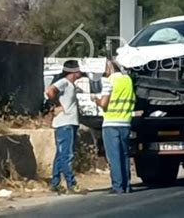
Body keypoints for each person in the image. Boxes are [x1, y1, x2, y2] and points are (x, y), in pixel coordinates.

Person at [93, 60, 135, 194]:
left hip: (111, 123)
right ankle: (127, 185)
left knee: (114, 156)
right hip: (125, 122)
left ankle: (118, 186)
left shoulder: (109, 81)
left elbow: (104, 103)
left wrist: (96, 99)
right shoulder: (128, 80)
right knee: (124, 155)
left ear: (110, 67)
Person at [46, 60, 84, 194]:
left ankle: (55, 183)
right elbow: (50, 91)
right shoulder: (64, 82)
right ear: (73, 72)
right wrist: (57, 104)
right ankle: (71, 184)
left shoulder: (71, 85)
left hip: (68, 123)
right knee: (66, 155)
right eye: (78, 71)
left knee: (60, 155)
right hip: (65, 123)